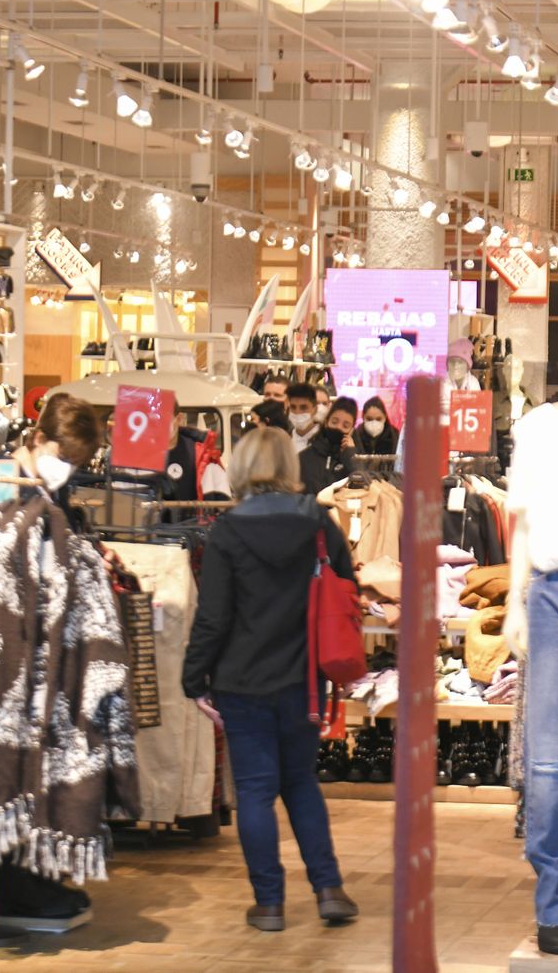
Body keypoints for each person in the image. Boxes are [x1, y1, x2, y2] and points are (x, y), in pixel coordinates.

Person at [181, 428, 360, 932]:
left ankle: (270, 903)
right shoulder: (319, 525)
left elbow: (213, 617)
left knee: (257, 791)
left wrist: (193, 679)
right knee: (301, 782)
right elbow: (348, 591)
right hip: (305, 679)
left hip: (242, 682)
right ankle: (329, 889)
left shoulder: (227, 532)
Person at [299, 395, 357, 495]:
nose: (338, 427)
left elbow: (360, 486)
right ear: (326, 422)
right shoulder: (304, 457)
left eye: (345, 425)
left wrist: (351, 456)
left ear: (351, 430)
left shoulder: (355, 459)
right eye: (334, 422)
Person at [285, 382, 323, 454]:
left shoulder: (324, 440)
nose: (297, 412)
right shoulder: (284, 440)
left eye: (303, 407)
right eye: (293, 407)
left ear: (315, 410)